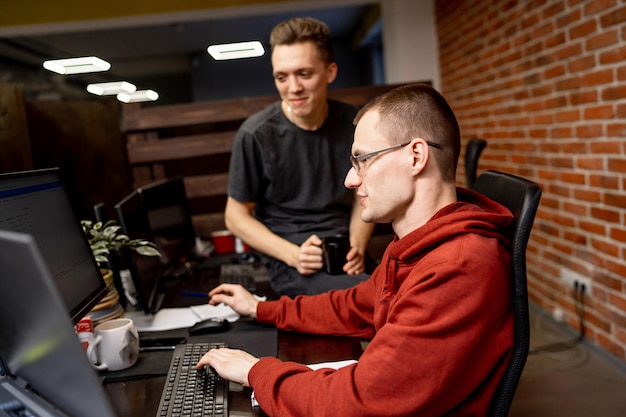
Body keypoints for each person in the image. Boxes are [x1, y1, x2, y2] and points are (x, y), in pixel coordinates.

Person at [197, 83, 516, 416]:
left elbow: (359, 404)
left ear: (416, 156)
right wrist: (262, 309)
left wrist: (254, 372)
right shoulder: (418, 245)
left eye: (362, 160)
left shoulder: (457, 266)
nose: (351, 179)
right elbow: (355, 305)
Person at [224, 17, 375, 297]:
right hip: (291, 258)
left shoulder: (355, 123)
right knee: (371, 298)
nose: (293, 88)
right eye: (282, 77)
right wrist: (293, 255)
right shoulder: (255, 134)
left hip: (344, 249)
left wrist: (357, 243)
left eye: (304, 74)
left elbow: (363, 194)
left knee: (403, 288)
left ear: (330, 72)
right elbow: (235, 216)